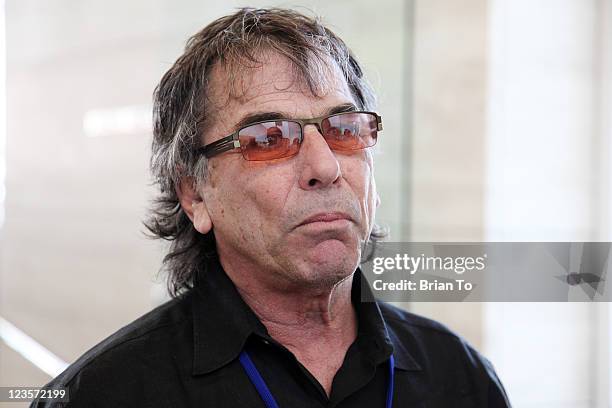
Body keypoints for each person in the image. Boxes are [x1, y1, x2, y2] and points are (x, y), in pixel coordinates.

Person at [32, 7, 511, 407]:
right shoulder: (105, 394)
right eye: (269, 137)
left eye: (344, 128)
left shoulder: (459, 377)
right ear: (195, 195)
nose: (325, 167)